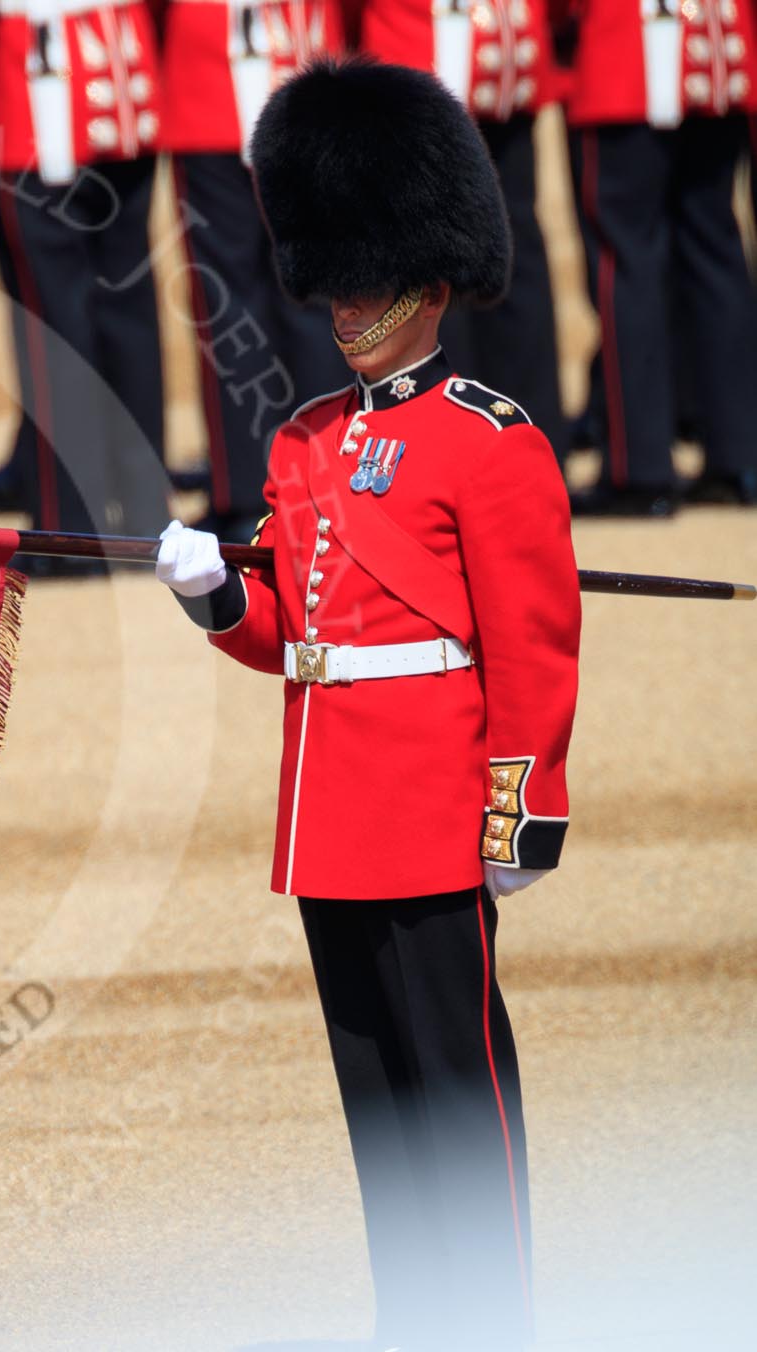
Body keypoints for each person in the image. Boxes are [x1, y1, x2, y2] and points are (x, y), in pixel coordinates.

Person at [154, 57, 579, 1350]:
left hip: (436, 806)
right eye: (337, 279)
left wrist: (525, 809)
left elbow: (533, 644)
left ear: (432, 280)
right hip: (334, 816)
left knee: (459, 1095)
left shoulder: (490, 439)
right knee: (382, 1109)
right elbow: (301, 639)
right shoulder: (302, 440)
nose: (348, 306)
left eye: (373, 282)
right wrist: (217, 595)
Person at [0, 0, 170, 562]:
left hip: (35, 82)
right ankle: (145, 513)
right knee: (127, 308)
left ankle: (71, 524)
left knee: (51, 321)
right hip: (122, 72)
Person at [157, 0, 350, 542]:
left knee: (234, 301)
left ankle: (247, 494)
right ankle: (328, 483)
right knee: (311, 295)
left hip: (219, 75)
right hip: (294, 67)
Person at [564, 0, 757, 514]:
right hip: (718, 51)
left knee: (627, 261)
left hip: (628, 52)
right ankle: (736, 457)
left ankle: (640, 468)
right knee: (715, 249)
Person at [354, 0, 566, 453]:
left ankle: (444, 449)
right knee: (514, 252)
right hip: (505, 48)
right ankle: (533, 442)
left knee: (430, 263)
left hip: (414, 51)